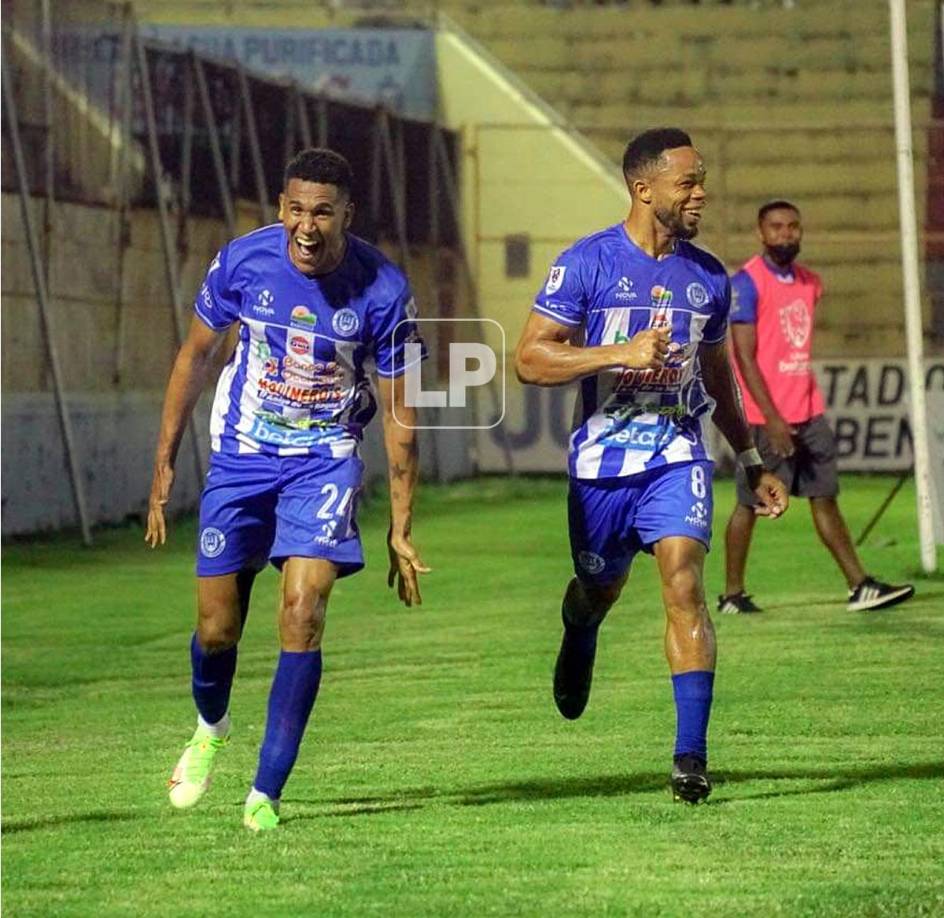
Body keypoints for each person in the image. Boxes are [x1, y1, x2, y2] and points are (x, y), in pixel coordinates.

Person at [145, 148, 430, 832]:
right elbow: (194, 355)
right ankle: (211, 725)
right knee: (217, 629)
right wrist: (164, 463)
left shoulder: (384, 289)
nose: (308, 226)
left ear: (346, 216)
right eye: (296, 210)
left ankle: (265, 793)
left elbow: (400, 414)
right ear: (281, 209)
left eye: (323, 212)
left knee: (303, 611)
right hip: (242, 456)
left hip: (324, 462)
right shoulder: (244, 262)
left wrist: (400, 525)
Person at [514, 128, 788, 804]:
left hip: (677, 454)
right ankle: (580, 627)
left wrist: (750, 458)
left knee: (684, 584)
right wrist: (615, 354)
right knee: (597, 587)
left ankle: (690, 757)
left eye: (702, 181)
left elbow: (719, 380)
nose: (702, 193)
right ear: (644, 188)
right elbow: (529, 358)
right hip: (602, 466)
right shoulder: (587, 263)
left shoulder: (708, 278)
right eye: (687, 183)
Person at [720, 200, 915, 614]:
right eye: (776, 227)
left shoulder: (811, 283)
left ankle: (859, 586)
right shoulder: (747, 284)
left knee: (825, 497)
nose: (786, 234)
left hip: (809, 411)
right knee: (749, 503)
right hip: (765, 418)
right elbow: (745, 357)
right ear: (761, 232)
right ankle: (732, 595)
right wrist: (771, 417)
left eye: (792, 227)